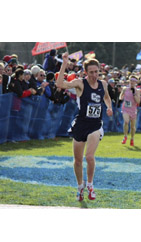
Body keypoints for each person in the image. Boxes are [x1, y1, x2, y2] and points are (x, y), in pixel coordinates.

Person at [56, 52, 113, 202]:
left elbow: (106, 97)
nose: (95, 75)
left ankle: (90, 185)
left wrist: (109, 107)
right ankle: (80, 187)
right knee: (78, 160)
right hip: (81, 124)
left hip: (95, 125)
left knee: (89, 156)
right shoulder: (80, 83)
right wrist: (64, 63)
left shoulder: (103, 84)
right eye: (91, 72)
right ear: (86, 72)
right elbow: (60, 84)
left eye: (97, 72)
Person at [119, 74, 141, 146]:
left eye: (133, 81)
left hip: (133, 109)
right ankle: (125, 137)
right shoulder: (125, 88)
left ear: (135, 83)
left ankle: (132, 138)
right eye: (131, 80)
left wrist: (134, 94)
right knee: (126, 121)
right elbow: (120, 97)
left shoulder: (137, 90)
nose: (131, 82)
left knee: (132, 127)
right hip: (125, 108)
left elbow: (138, 101)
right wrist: (122, 96)